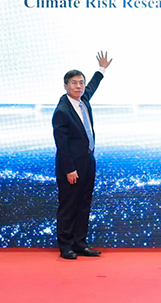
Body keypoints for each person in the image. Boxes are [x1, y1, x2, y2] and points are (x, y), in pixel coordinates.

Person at [53, 51, 112, 259]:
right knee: (68, 206)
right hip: (71, 166)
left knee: (84, 204)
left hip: (88, 161)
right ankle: (66, 246)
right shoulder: (62, 110)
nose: (78, 86)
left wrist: (101, 69)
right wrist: (70, 169)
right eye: (74, 83)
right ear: (65, 86)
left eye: (81, 83)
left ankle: (80, 243)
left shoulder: (83, 100)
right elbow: (62, 145)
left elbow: (93, 86)